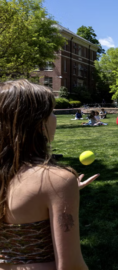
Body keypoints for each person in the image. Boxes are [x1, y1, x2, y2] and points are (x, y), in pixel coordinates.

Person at [0, 79, 99, 269]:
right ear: (37, 123)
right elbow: (70, 266)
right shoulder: (57, 180)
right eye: (51, 112)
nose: (55, 118)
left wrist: (56, 193)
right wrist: (60, 188)